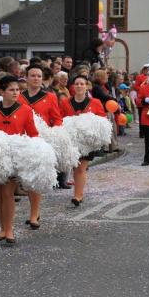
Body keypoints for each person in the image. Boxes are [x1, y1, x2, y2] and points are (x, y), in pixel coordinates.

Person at [0, 75, 39, 244]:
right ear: (2, 91)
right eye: (11, 90)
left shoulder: (25, 110)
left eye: (17, 90)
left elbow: (33, 133)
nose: (15, 93)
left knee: (7, 193)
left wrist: (29, 148)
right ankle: (3, 228)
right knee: (0, 194)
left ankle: (9, 230)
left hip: (14, 157)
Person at [17, 64, 64, 225]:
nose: (36, 78)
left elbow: (57, 119)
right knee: (25, 178)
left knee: (35, 176)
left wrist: (54, 133)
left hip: (40, 140)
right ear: (26, 77)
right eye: (33, 76)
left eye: (39, 76)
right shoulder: (19, 96)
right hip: (22, 140)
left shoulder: (50, 96)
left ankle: (34, 214)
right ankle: (33, 212)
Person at [59, 75, 107, 206]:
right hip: (72, 141)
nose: (79, 86)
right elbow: (60, 120)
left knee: (81, 168)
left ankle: (78, 195)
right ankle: (78, 193)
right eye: (77, 84)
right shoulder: (65, 102)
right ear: (73, 86)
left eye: (82, 84)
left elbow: (102, 120)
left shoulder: (95, 102)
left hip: (87, 143)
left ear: (87, 86)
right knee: (75, 167)